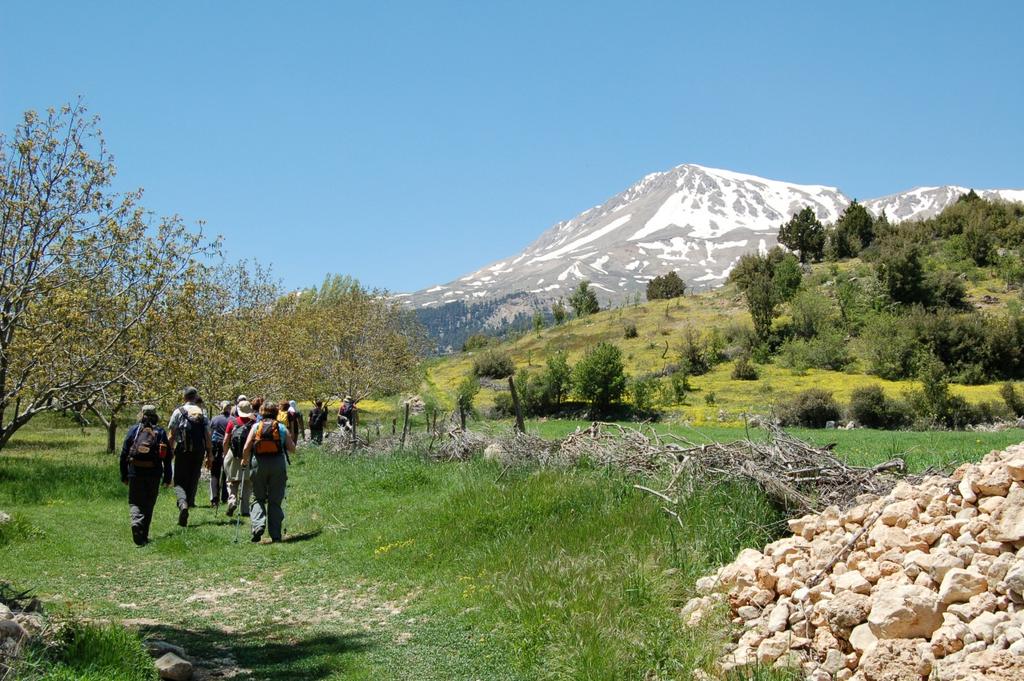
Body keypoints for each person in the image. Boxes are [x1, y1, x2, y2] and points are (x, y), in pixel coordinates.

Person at [242, 402, 295, 542]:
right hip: (277, 464)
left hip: (258, 463)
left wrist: (244, 461)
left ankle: (258, 526)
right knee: (275, 500)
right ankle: (276, 534)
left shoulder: (255, 427)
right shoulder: (281, 428)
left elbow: (246, 447)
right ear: (276, 412)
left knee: (258, 497)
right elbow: (292, 449)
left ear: (261, 412)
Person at [119, 405, 172, 546]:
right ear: (156, 415)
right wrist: (168, 477)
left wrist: (124, 474)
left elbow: (124, 453)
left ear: (141, 415)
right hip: (154, 473)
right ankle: (144, 535)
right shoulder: (160, 432)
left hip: (135, 471)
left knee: (135, 502)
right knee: (149, 503)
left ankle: (136, 522)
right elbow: (168, 457)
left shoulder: (134, 431)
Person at [167, 386, 212, 527]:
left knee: (179, 479)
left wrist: (169, 451)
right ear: (195, 397)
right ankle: (190, 501)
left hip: (182, 450)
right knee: (193, 477)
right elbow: (207, 435)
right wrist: (209, 453)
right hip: (199, 451)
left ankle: (183, 503)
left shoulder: (178, 411)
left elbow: (172, 434)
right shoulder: (202, 413)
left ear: (184, 397)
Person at [223, 399, 256, 517]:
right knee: (247, 482)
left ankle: (232, 501)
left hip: (234, 455)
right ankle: (245, 510)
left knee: (232, 481)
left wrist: (226, 453)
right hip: (248, 455)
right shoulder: (254, 423)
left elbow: (226, 440)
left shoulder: (233, 422)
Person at [208, 401, 232, 507]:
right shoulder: (233, 420)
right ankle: (225, 497)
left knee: (214, 473)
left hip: (215, 447)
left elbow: (210, 433)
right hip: (228, 448)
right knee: (226, 473)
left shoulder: (214, 419)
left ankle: (214, 499)